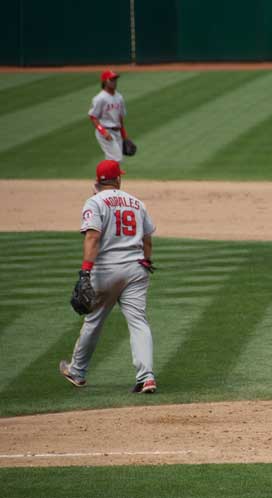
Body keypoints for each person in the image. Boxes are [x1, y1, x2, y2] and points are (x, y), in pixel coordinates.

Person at [59, 160, 158, 394]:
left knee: (94, 321)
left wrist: (85, 271)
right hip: (135, 269)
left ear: (97, 180)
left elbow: (92, 237)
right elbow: (147, 239)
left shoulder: (94, 202)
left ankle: (77, 371)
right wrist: (147, 260)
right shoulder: (136, 202)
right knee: (138, 322)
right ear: (118, 179)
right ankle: (146, 377)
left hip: (106, 270)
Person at [89, 70, 129, 162]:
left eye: (115, 79)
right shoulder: (100, 98)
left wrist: (124, 135)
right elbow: (93, 116)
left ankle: (107, 176)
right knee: (117, 158)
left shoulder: (119, 97)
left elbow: (120, 118)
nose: (114, 82)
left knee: (114, 160)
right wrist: (103, 132)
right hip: (105, 131)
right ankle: (106, 175)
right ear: (104, 82)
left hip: (117, 132)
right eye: (111, 80)